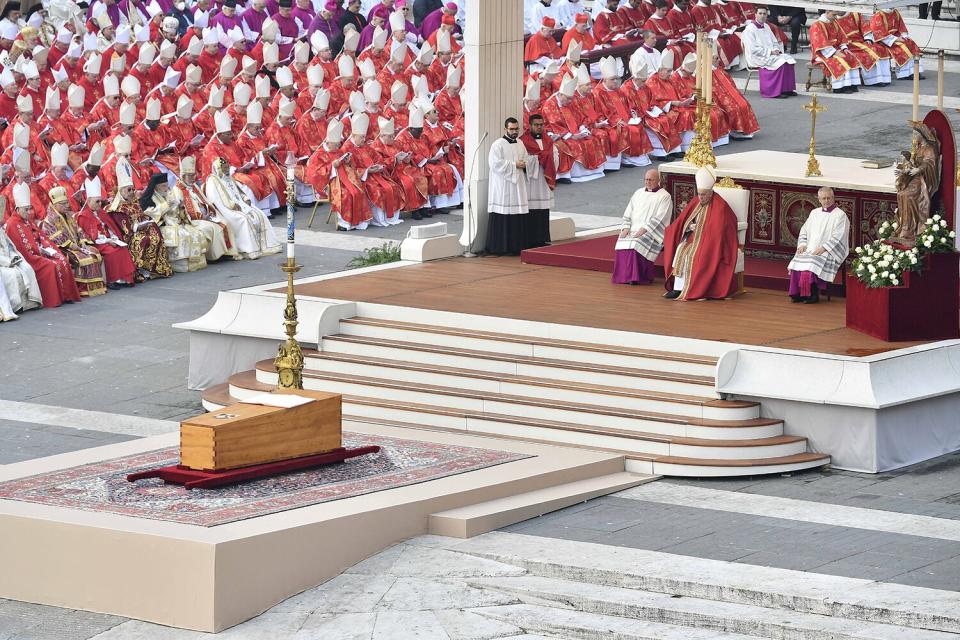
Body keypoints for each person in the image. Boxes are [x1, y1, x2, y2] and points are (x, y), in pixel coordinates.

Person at [662, 166, 738, 300]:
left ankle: (696, 288)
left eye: (703, 195)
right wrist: (688, 227)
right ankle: (678, 288)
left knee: (693, 254)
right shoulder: (696, 201)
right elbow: (682, 220)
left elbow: (720, 229)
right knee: (681, 249)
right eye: (699, 194)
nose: (700, 198)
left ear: (710, 192)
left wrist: (702, 230)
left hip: (711, 242)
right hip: (692, 238)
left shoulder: (720, 206)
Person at [5, 182, 82, 308]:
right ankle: (53, 300)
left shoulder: (28, 221)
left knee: (62, 260)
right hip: (30, 257)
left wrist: (48, 249)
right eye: (26, 209)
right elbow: (21, 248)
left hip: (41, 251)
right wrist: (40, 251)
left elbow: (41, 236)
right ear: (17, 209)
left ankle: (67, 296)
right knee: (51, 265)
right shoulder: (12, 224)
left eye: (30, 208)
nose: (29, 212)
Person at [41, 186, 107, 298]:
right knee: (83, 258)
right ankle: (82, 289)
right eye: (63, 204)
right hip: (64, 248)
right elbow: (55, 238)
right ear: (55, 205)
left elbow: (79, 229)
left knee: (94, 252)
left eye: (67, 202)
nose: (67, 205)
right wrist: (72, 245)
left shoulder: (68, 215)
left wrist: (82, 242)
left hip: (77, 245)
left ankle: (97, 286)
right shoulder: (49, 220)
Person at [787, 186, 850, 304]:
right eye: (823, 198)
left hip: (829, 250)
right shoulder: (814, 213)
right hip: (810, 247)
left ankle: (812, 294)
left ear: (833, 198)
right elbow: (804, 230)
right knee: (798, 259)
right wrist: (802, 244)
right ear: (819, 199)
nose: (826, 201)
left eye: (828, 198)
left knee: (812, 262)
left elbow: (839, 236)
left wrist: (824, 248)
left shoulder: (840, 215)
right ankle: (799, 293)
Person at [171, 156, 238, 263]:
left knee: (225, 222)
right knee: (212, 228)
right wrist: (202, 217)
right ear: (183, 176)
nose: (194, 178)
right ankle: (215, 256)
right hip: (192, 221)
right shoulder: (177, 189)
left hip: (204, 215)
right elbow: (181, 210)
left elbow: (205, 200)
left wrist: (209, 211)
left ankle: (227, 252)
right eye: (190, 176)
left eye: (194, 175)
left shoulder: (193, 186)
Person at [612, 168, 673, 285]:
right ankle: (624, 277)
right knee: (622, 240)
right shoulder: (638, 193)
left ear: (658, 180)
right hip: (633, 228)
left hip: (651, 231)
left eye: (651, 180)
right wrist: (625, 227)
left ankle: (637, 277)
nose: (648, 182)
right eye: (646, 179)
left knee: (636, 243)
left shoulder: (664, 196)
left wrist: (645, 229)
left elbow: (661, 217)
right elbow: (629, 211)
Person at [140, 172, 210, 273]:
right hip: (161, 226)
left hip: (175, 223)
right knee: (182, 235)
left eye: (167, 185)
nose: (166, 188)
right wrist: (166, 205)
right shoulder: (149, 199)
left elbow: (176, 213)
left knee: (194, 233)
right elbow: (149, 215)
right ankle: (179, 264)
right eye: (163, 186)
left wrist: (181, 208)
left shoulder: (169, 195)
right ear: (156, 187)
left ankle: (194, 262)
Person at [76, 177, 138, 289]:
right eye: (97, 202)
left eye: (101, 201)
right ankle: (112, 280)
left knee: (122, 249)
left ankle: (125, 279)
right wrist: (108, 241)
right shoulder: (83, 216)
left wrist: (114, 238)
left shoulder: (102, 212)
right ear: (88, 201)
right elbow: (90, 236)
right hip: (96, 243)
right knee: (112, 252)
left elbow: (111, 228)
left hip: (109, 240)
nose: (100, 204)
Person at [486, 117, 530, 256]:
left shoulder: (521, 143)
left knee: (517, 215)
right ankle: (501, 247)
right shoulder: (497, 144)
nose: (514, 131)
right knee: (504, 215)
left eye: (516, 129)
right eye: (511, 129)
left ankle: (516, 247)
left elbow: (527, 159)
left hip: (517, 185)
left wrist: (525, 164)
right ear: (505, 129)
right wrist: (514, 165)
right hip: (503, 185)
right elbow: (494, 164)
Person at [741, 7, 797, 99]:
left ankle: (786, 89)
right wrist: (770, 52)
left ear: (767, 15)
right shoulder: (750, 29)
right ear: (755, 15)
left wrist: (776, 50)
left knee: (789, 60)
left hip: (770, 53)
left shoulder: (766, 26)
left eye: (764, 14)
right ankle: (774, 92)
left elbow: (774, 42)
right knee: (781, 63)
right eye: (760, 13)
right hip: (757, 56)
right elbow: (752, 49)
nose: (762, 16)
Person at [519, 113, 554, 249]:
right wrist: (537, 158)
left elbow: (554, 155)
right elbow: (522, 157)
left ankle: (543, 238)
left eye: (541, 125)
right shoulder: (523, 141)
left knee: (543, 210)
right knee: (531, 209)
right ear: (530, 125)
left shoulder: (548, 140)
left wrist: (548, 157)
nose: (539, 128)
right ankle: (530, 239)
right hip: (531, 179)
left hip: (544, 178)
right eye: (536, 125)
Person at [809, 11, 862, 93]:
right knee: (840, 61)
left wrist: (844, 48)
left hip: (836, 49)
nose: (835, 17)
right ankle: (839, 87)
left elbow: (842, 37)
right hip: (823, 53)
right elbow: (820, 43)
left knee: (850, 56)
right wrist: (835, 53)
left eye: (836, 15)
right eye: (833, 15)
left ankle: (852, 84)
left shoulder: (834, 23)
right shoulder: (817, 25)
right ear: (827, 12)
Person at [0, 220, 42, 318]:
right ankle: (16, 306)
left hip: (9, 258)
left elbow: (10, 247)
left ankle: (31, 302)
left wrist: (14, 257)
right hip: (2, 263)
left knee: (27, 268)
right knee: (13, 274)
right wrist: (7, 262)